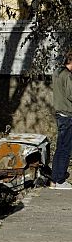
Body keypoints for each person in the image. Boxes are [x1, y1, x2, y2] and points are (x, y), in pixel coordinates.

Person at [51, 51, 72, 190]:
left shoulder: (57, 72)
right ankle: (60, 180)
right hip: (68, 114)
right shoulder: (68, 76)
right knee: (65, 148)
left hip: (59, 113)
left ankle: (54, 179)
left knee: (60, 148)